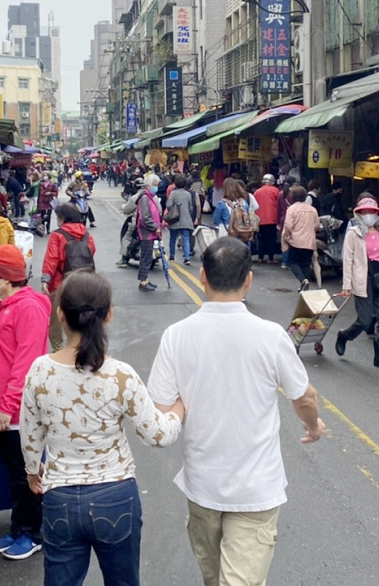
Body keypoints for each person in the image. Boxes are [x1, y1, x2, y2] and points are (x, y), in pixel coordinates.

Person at [148, 238, 324, 586]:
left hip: (202, 485)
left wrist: (187, 401)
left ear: (201, 276)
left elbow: (160, 410)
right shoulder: (270, 336)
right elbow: (304, 397)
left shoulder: (176, 336)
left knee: (214, 579)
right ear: (249, 280)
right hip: (255, 489)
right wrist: (312, 426)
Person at [21, 272, 185, 586]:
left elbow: (30, 432)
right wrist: (178, 409)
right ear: (108, 315)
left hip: (60, 498)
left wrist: (32, 469)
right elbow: (157, 435)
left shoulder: (40, 371)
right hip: (116, 496)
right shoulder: (120, 375)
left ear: (60, 314)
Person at [0, 243, 51, 561]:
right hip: (0, 411)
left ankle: (33, 533)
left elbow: (25, 365)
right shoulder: (6, 306)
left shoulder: (28, 309)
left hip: (17, 413)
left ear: (7, 279)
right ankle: (19, 528)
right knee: (15, 474)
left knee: (26, 474)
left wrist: (8, 405)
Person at [337, 197, 379, 371]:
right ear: (359, 213)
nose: (368, 215)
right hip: (363, 278)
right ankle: (344, 335)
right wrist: (346, 285)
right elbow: (348, 260)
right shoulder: (354, 233)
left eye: (371, 212)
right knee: (365, 320)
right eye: (365, 212)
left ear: (377, 214)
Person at [40, 202, 97, 350]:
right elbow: (92, 251)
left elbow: (51, 258)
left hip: (61, 282)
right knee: (81, 315)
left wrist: (45, 280)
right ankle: (79, 346)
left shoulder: (57, 235)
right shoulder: (86, 234)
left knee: (56, 318)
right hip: (83, 282)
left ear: (62, 218)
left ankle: (58, 349)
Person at [281, 185, 320, 290]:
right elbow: (317, 225)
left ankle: (303, 280)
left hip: (296, 240)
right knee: (305, 264)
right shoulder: (312, 209)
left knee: (292, 261)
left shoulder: (292, 209)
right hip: (310, 241)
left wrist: (287, 236)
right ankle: (305, 286)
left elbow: (288, 225)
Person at [135, 173, 163, 293]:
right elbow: (144, 217)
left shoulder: (149, 197)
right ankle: (143, 281)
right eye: (154, 185)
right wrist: (154, 227)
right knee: (146, 257)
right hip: (147, 232)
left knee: (147, 257)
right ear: (148, 185)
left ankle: (145, 279)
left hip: (151, 232)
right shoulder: (144, 198)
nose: (156, 187)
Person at [165, 175, 197, 265]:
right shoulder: (188, 194)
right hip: (186, 219)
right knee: (185, 238)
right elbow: (191, 207)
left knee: (172, 238)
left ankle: (171, 256)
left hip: (174, 219)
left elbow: (168, 205)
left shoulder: (173, 193)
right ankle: (187, 258)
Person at [253, 174, 281, 264]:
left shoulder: (257, 192)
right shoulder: (276, 191)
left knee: (262, 239)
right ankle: (270, 258)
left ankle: (260, 257)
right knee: (271, 239)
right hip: (272, 218)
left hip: (260, 219)